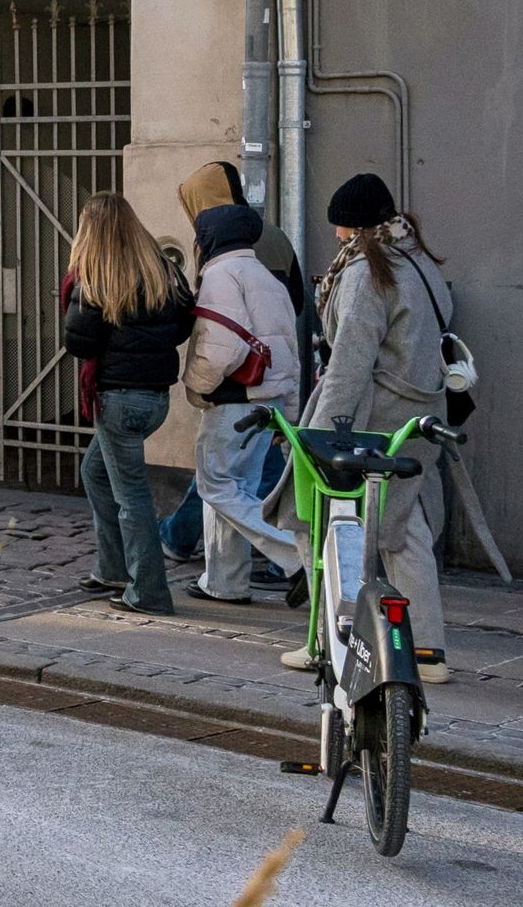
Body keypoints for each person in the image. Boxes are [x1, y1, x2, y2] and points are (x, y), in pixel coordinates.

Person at [295, 173, 459, 682]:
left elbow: (350, 361)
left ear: (352, 226)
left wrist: (321, 435)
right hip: (420, 415)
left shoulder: (369, 270)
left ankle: (330, 643)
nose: (337, 236)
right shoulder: (417, 258)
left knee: (320, 523)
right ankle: (427, 651)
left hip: (372, 421)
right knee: (403, 529)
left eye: (340, 227)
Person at [61, 192, 195, 615]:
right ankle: (113, 568)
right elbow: (179, 328)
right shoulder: (161, 270)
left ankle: (149, 591)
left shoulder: (96, 276)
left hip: (117, 399)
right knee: (94, 472)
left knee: (132, 497)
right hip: (155, 398)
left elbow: (79, 343)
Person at [180, 192, 303, 604]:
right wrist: (290, 411)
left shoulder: (220, 275)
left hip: (234, 401)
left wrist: (196, 387)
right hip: (268, 404)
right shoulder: (268, 278)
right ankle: (224, 583)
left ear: (210, 238)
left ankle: (298, 557)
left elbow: (221, 348)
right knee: (238, 492)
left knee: (216, 486)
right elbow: (291, 351)